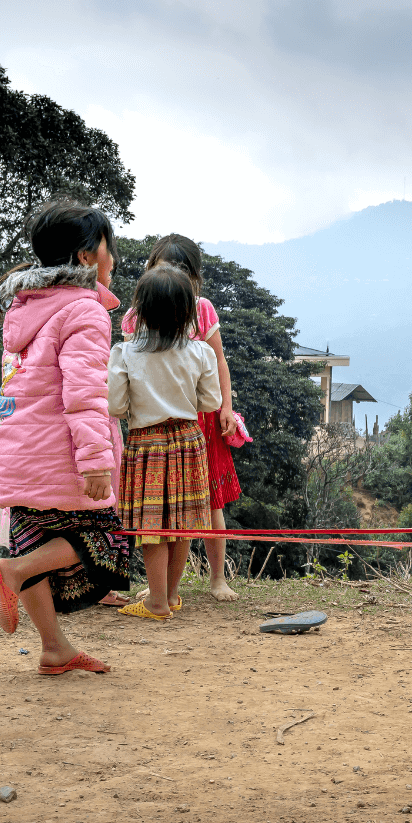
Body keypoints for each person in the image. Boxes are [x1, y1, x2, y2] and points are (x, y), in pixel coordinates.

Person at [0, 196, 131, 675]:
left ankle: (54, 648)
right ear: (87, 256)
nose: (113, 258)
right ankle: (14, 572)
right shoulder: (85, 311)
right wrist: (95, 460)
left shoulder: (24, 308)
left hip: (17, 448)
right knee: (105, 537)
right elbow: (85, 391)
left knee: (31, 537)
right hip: (62, 453)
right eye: (109, 247)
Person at [109, 234, 243, 602]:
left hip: (148, 441)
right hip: (188, 437)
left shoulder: (125, 350)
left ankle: (158, 598)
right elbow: (209, 395)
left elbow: (116, 404)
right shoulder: (198, 350)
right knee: (184, 519)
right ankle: (168, 595)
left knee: (153, 521)